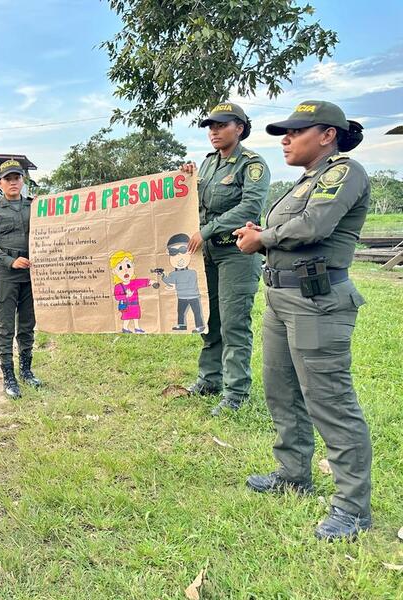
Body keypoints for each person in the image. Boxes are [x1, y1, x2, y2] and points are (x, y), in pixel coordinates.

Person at [233, 100, 371, 541]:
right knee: (281, 389)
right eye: (283, 133)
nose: (286, 140)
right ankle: (293, 473)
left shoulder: (343, 172)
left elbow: (314, 227)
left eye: (296, 131)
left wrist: (263, 238)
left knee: (329, 400)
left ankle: (352, 508)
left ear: (327, 134)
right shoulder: (303, 182)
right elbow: (286, 229)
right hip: (281, 297)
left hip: (318, 301)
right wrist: (260, 236)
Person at [181, 102, 270, 416]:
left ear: (239, 128)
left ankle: (236, 394)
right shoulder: (206, 165)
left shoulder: (252, 164)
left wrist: (207, 230)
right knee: (209, 320)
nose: (214, 131)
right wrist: (185, 180)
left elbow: (249, 208)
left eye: (221, 125)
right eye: (211, 126)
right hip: (207, 254)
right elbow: (193, 201)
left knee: (234, 323)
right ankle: (209, 379)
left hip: (237, 253)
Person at [0, 159, 41, 398]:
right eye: (8, 179)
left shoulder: (35, 207)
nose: (13, 182)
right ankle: (9, 376)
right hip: (7, 277)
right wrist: (10, 261)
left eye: (16, 178)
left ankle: (26, 371)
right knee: (5, 329)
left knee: (27, 327)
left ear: (22, 181)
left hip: (32, 276)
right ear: (1, 184)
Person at [160, 233, 205, 334]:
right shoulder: (173, 274)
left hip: (193, 296)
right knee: (180, 312)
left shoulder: (192, 272)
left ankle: (199, 326)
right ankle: (181, 325)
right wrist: (162, 275)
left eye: (183, 250)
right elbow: (169, 281)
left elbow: (189, 283)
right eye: (173, 252)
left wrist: (174, 287)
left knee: (196, 312)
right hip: (181, 296)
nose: (179, 257)